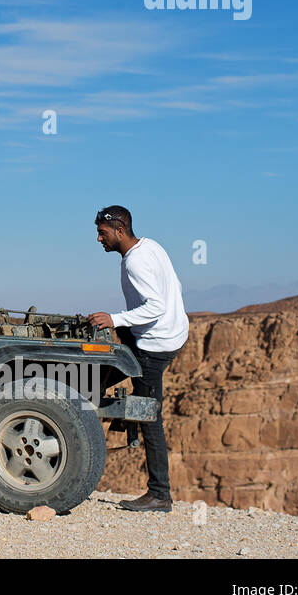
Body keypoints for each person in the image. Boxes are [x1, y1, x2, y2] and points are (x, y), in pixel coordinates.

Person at [89, 206, 189, 513]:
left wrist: (115, 318)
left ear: (119, 231)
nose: (98, 239)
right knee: (116, 353)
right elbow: (174, 287)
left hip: (155, 346)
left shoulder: (135, 263)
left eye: (102, 233)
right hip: (171, 333)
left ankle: (160, 494)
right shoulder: (151, 246)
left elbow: (156, 305)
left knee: (150, 416)